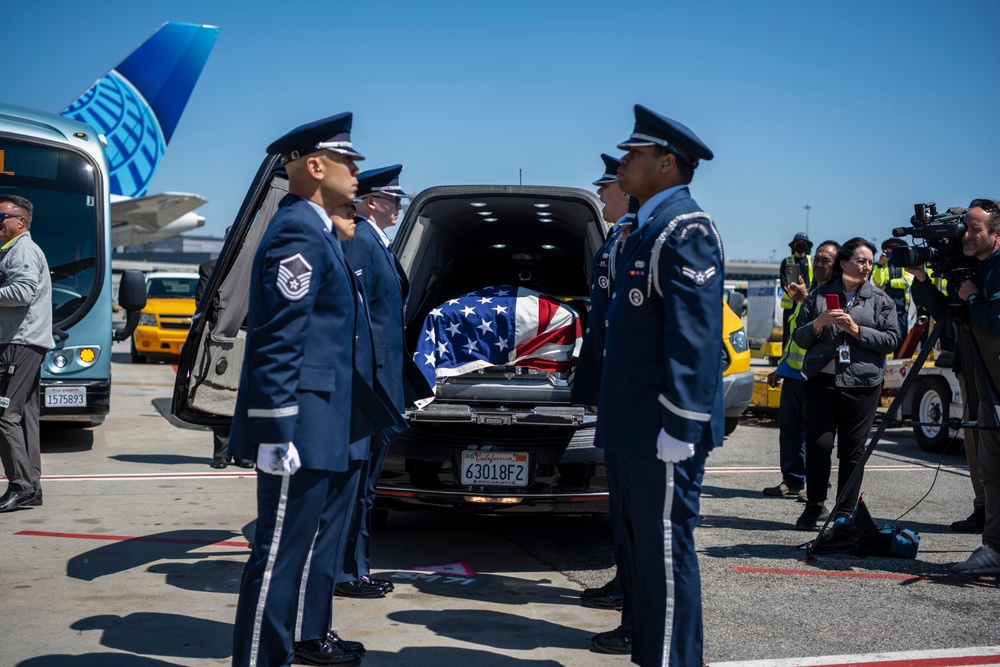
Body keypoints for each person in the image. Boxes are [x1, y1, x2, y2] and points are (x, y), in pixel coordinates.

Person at [228, 112, 374, 667]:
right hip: (298, 424)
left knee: (289, 552)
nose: (356, 171)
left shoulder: (315, 227)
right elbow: (278, 339)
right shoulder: (297, 229)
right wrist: (275, 428)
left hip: (316, 420)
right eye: (347, 160)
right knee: (277, 559)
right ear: (315, 166)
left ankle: (277, 656)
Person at [595, 104, 722, 667]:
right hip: (634, 424)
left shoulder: (685, 229)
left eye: (635, 154)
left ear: (666, 163)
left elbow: (693, 339)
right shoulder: (646, 227)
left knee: (666, 557)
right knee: (645, 560)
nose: (624, 161)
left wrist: (681, 423)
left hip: (661, 427)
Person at [907, 198, 1000, 574]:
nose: (966, 234)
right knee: (988, 459)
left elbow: (995, 319)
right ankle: (991, 536)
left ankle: (994, 546)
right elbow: (946, 313)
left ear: (996, 234)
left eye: (975, 228)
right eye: (965, 227)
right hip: (979, 372)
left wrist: (973, 296)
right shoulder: (976, 269)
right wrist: (924, 281)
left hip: (995, 379)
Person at [336, 164, 415, 599]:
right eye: (392, 199)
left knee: (365, 489)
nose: (398, 206)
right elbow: (353, 321)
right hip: (369, 386)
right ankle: (346, 572)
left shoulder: (376, 243)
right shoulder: (362, 241)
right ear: (371, 201)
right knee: (355, 488)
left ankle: (357, 567)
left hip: (382, 384)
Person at [571, 153, 635, 649]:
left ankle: (636, 608)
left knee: (635, 508)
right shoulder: (618, 237)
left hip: (631, 391)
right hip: (615, 386)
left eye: (605, 188)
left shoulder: (635, 236)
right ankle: (625, 583)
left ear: (625, 187)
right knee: (621, 502)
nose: (600, 197)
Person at [791, 237, 899, 530]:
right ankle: (815, 505)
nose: (867, 267)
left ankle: (844, 512)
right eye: (860, 261)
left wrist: (856, 330)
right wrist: (817, 324)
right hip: (821, 381)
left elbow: (891, 340)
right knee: (818, 445)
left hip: (861, 384)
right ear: (844, 263)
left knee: (852, 450)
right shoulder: (818, 296)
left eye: (870, 262)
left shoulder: (880, 299)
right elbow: (799, 338)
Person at [763, 240, 839, 501]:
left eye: (825, 260)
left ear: (837, 265)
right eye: (817, 259)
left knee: (816, 436)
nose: (818, 264)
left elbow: (832, 331)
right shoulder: (807, 293)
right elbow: (795, 335)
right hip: (794, 374)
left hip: (817, 376)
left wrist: (805, 298)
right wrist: (781, 368)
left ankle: (818, 486)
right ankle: (793, 480)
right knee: (789, 432)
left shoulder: (836, 293)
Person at [0, 194, 54, 513]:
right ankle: (31, 487)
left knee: (5, 416)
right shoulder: (14, 250)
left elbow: (22, 292)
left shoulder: (22, 250)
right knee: (24, 418)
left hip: (19, 344)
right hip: (23, 343)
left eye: (1, 216)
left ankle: (20, 486)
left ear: (20, 222)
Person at [196, 226, 253, 470]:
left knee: (247, 396)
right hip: (222, 338)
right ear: (226, 239)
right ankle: (221, 453)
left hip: (251, 336)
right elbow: (201, 304)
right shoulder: (210, 268)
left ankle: (243, 451)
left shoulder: (257, 266)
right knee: (220, 393)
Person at [872, 237, 913, 356]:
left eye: (896, 247)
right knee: (884, 336)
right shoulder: (879, 265)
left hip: (901, 308)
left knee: (901, 337)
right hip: (884, 309)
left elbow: (907, 281)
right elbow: (877, 281)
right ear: (885, 250)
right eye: (891, 247)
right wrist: (880, 264)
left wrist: (889, 283)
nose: (893, 250)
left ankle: (898, 361)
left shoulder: (906, 263)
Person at [780, 232, 813, 347]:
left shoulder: (812, 261)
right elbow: (783, 283)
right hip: (791, 305)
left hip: (807, 302)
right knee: (787, 333)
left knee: (806, 331)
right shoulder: (787, 261)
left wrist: (805, 297)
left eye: (803, 243)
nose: (800, 244)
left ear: (807, 246)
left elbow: (815, 282)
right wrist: (794, 296)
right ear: (793, 245)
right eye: (798, 242)